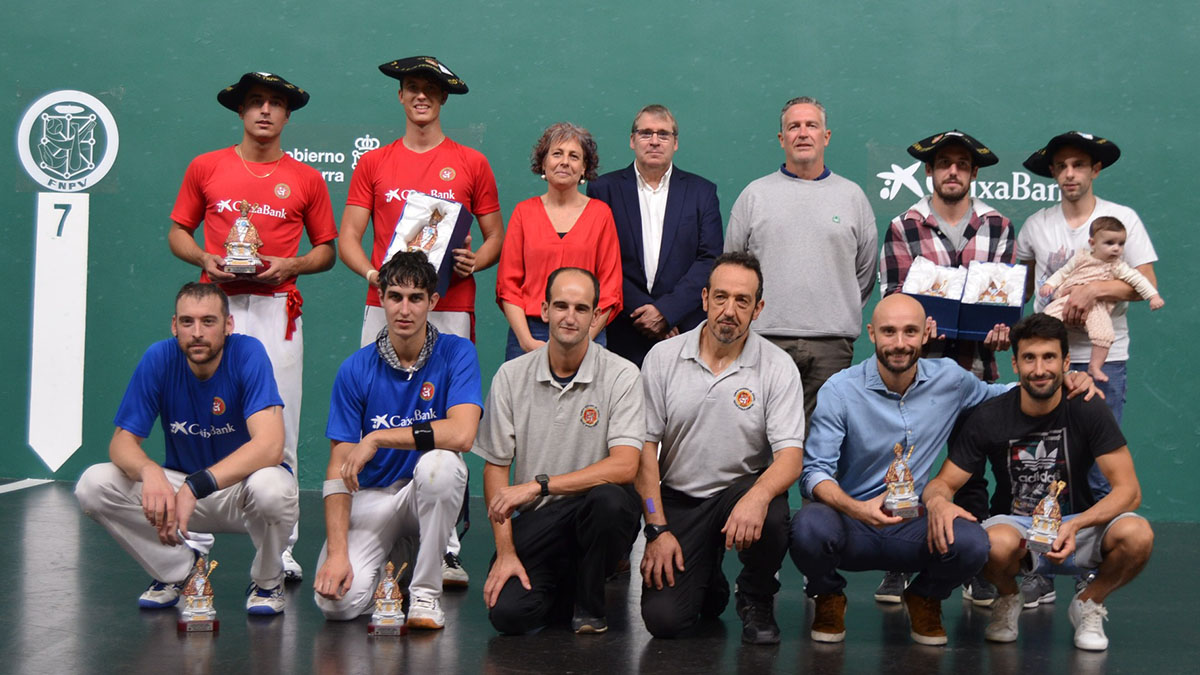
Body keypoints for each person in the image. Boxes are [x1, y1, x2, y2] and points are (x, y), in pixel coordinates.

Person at [789, 294, 1098, 645]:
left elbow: (1002, 394)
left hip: (912, 525)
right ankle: (828, 595)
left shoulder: (950, 379)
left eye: (910, 332)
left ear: (925, 335)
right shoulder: (840, 390)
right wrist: (857, 508)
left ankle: (925, 596)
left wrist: (1064, 381)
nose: (900, 343)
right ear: (872, 334)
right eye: (889, 332)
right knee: (807, 527)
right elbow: (814, 472)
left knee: (973, 542)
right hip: (850, 521)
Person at [168, 72, 336, 582]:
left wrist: (292, 264)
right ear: (241, 112)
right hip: (215, 309)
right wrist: (203, 255)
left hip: (276, 310)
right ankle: (190, 541)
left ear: (287, 116)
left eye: (276, 104)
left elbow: (326, 250)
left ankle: (280, 546)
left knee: (277, 432)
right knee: (199, 423)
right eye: (256, 102)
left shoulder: (306, 178)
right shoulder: (207, 167)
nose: (265, 111)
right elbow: (178, 231)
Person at [340, 56, 500, 586]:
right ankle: (373, 528)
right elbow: (348, 237)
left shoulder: (471, 162)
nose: (420, 97)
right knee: (377, 415)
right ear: (401, 96)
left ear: (443, 99)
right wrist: (372, 274)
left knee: (452, 423)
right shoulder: (374, 163)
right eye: (411, 88)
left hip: (451, 306)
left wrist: (478, 260)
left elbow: (494, 235)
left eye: (429, 89)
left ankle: (447, 547)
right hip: (386, 303)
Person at [923, 313, 1154, 651]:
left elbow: (1129, 491)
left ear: (1065, 362)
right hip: (1017, 528)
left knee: (1138, 535)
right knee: (990, 544)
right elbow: (942, 483)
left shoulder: (1088, 409)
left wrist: (1077, 526)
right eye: (1029, 358)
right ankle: (1008, 598)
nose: (1040, 369)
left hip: (1078, 524)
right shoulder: (990, 416)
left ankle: (1088, 602)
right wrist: (939, 501)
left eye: (1049, 357)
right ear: (1015, 364)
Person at [75, 282, 297, 615]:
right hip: (180, 496)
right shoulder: (159, 358)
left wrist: (197, 485)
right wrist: (149, 471)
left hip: (239, 493)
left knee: (274, 487)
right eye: (187, 322)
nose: (197, 332)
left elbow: (270, 447)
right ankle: (179, 570)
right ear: (174, 325)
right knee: (94, 484)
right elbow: (121, 442)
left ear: (228, 326)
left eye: (208, 321)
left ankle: (267, 581)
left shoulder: (248, 353)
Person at [1017, 130, 1158, 606]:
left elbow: (1144, 285)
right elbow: (1030, 290)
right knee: (1042, 466)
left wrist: (1092, 291)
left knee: (1097, 470)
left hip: (1103, 359)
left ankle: (1086, 570)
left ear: (1095, 170)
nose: (1070, 174)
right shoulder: (1037, 225)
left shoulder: (1124, 221)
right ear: (1053, 172)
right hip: (1049, 360)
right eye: (1062, 166)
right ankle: (1040, 569)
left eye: (1080, 165)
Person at [877, 129, 1015, 607]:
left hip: (978, 371)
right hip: (917, 374)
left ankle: (975, 566)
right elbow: (894, 301)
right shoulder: (904, 226)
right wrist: (914, 322)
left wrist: (1002, 329)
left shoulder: (999, 226)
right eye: (943, 164)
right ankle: (898, 563)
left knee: (972, 470)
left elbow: (1007, 299)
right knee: (906, 468)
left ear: (973, 173)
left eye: (961, 164)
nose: (952, 171)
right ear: (930, 172)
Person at [637, 252, 804, 645]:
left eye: (742, 301)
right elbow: (644, 450)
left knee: (775, 513)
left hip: (738, 494)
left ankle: (755, 596)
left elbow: (791, 458)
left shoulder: (777, 366)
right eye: (721, 297)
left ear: (758, 308)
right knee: (665, 622)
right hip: (678, 499)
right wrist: (656, 527)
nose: (730, 310)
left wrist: (758, 495)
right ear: (704, 299)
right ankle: (707, 578)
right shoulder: (662, 358)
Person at [312, 251, 481, 630]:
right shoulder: (355, 368)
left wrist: (376, 438)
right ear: (381, 299)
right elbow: (338, 466)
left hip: (425, 494)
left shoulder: (458, 353)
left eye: (416, 298)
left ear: (432, 302)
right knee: (336, 606)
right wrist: (337, 553)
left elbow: (463, 434)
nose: (404, 309)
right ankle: (400, 549)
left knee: (442, 465)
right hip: (373, 497)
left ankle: (424, 593)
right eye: (395, 297)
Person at [475, 267, 643, 635]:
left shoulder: (622, 375)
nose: (570, 317)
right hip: (540, 522)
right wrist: (505, 553)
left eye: (582, 309)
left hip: (594, 512)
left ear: (596, 316)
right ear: (544, 309)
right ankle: (567, 585)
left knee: (610, 502)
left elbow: (626, 466)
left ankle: (590, 605)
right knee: (508, 616)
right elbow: (495, 469)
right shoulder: (510, 376)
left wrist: (540, 485)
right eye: (561, 306)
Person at [725, 96, 877, 430]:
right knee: (759, 447)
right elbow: (733, 272)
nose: (803, 133)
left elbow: (864, 274)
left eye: (812, 125)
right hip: (763, 342)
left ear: (827, 136)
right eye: (794, 126)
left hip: (832, 348)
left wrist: (835, 308)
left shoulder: (852, 198)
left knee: (822, 449)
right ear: (782, 139)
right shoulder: (755, 195)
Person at [586, 104, 724, 366]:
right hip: (622, 330)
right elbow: (599, 258)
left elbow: (710, 259)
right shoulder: (603, 190)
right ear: (632, 140)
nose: (654, 141)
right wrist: (644, 312)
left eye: (663, 134)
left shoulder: (701, 192)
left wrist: (667, 312)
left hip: (683, 332)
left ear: (675, 143)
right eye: (646, 133)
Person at [496, 123, 623, 361]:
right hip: (529, 333)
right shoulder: (524, 213)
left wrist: (585, 339)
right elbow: (508, 285)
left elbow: (610, 289)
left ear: (584, 167)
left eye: (574, 156)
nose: (565, 161)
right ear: (543, 163)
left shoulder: (601, 214)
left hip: (586, 333)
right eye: (557, 154)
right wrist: (525, 340)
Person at [1039, 216, 1164, 382]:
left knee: (1104, 334)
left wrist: (1153, 296)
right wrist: (1049, 284)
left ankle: (1095, 366)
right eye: (1109, 243)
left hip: (1096, 308)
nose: (1116, 249)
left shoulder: (1118, 266)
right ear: (1092, 243)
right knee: (1046, 321)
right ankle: (1051, 359)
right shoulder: (1080, 258)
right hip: (1066, 299)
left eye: (1121, 244)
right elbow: (1063, 272)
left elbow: (1139, 280)